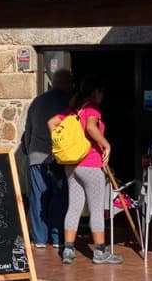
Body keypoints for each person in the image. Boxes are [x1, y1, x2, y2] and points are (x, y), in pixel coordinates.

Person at [48, 75, 121, 265]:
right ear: (96, 92)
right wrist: (106, 145)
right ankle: (99, 252)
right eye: (101, 92)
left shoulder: (72, 110)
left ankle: (68, 250)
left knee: (74, 206)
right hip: (90, 163)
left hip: (72, 165)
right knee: (96, 208)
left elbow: (51, 123)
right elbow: (91, 128)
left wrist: (63, 144)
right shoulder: (92, 108)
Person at [22, 68, 73, 249]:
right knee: (60, 197)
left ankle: (40, 239)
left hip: (36, 156)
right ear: (66, 83)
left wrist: (29, 150)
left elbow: (28, 130)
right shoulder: (68, 102)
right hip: (59, 157)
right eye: (70, 82)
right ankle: (57, 236)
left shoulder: (37, 101)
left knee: (38, 198)